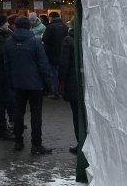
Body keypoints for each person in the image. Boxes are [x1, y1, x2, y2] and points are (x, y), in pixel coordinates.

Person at [4, 16, 52, 154]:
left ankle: (18, 142)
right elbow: (43, 65)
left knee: (18, 113)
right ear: (28, 26)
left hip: (18, 84)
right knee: (36, 115)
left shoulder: (9, 42)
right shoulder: (35, 42)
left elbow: (7, 65)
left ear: (15, 26)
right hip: (35, 84)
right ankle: (36, 145)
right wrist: (47, 83)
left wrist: (11, 82)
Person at [58, 20, 79, 155]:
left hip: (73, 82)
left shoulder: (68, 40)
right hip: (88, 83)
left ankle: (80, 142)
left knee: (77, 115)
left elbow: (64, 64)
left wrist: (61, 80)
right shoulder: (88, 37)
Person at [42, 11, 69, 98]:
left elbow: (45, 39)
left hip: (52, 54)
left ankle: (56, 92)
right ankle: (63, 91)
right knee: (63, 73)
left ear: (50, 18)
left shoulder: (50, 27)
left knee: (54, 74)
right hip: (64, 54)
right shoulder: (65, 26)